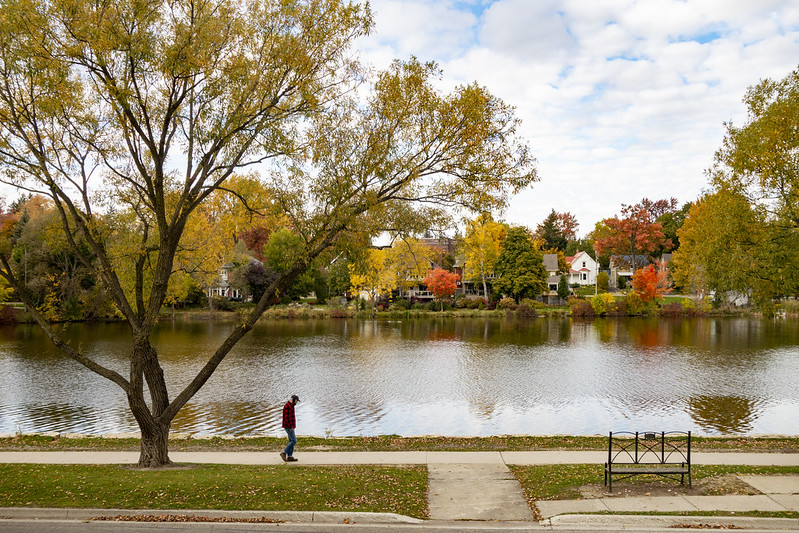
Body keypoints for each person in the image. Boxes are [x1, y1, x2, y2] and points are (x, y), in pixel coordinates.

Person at [280, 394, 300, 462]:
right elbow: (286, 418)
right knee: (294, 440)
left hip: (291, 426)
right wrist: (291, 427)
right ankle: (284, 452)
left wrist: (293, 426)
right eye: (296, 401)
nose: (296, 402)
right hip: (288, 426)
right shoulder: (287, 406)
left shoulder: (291, 406)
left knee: (291, 440)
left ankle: (290, 456)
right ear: (293, 400)